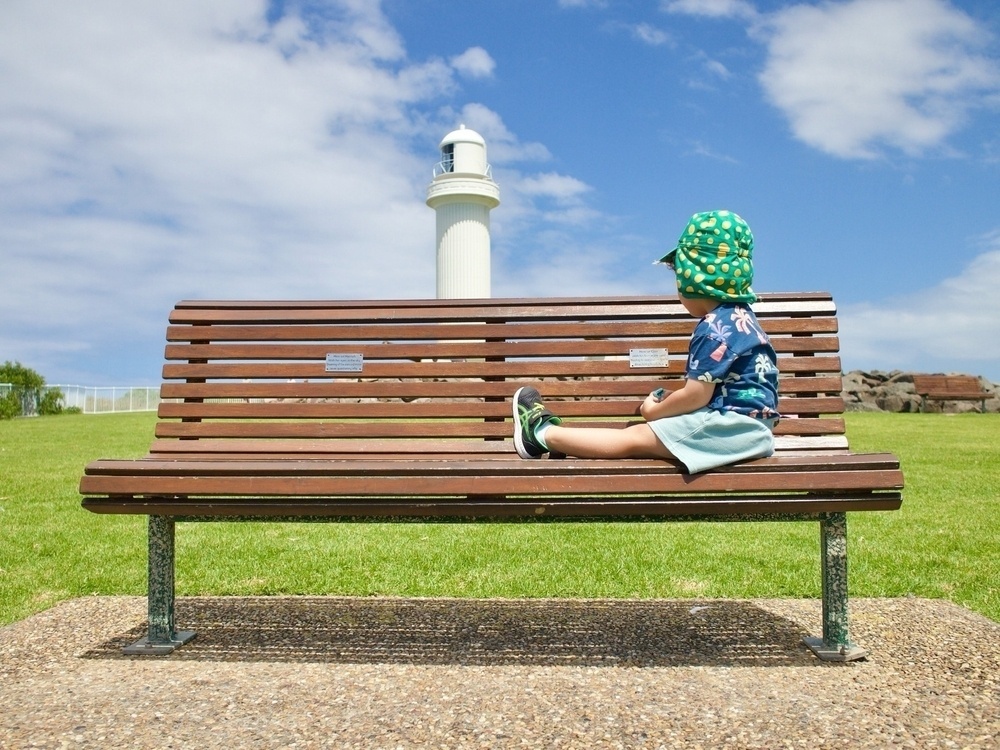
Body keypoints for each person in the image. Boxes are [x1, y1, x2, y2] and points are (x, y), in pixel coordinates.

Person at [512, 209, 780, 473]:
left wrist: (654, 411)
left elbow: (697, 395)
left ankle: (540, 434)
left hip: (728, 431)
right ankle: (572, 442)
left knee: (633, 437)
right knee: (642, 435)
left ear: (693, 279)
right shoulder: (745, 320)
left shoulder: (714, 327)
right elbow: (723, 390)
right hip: (756, 433)